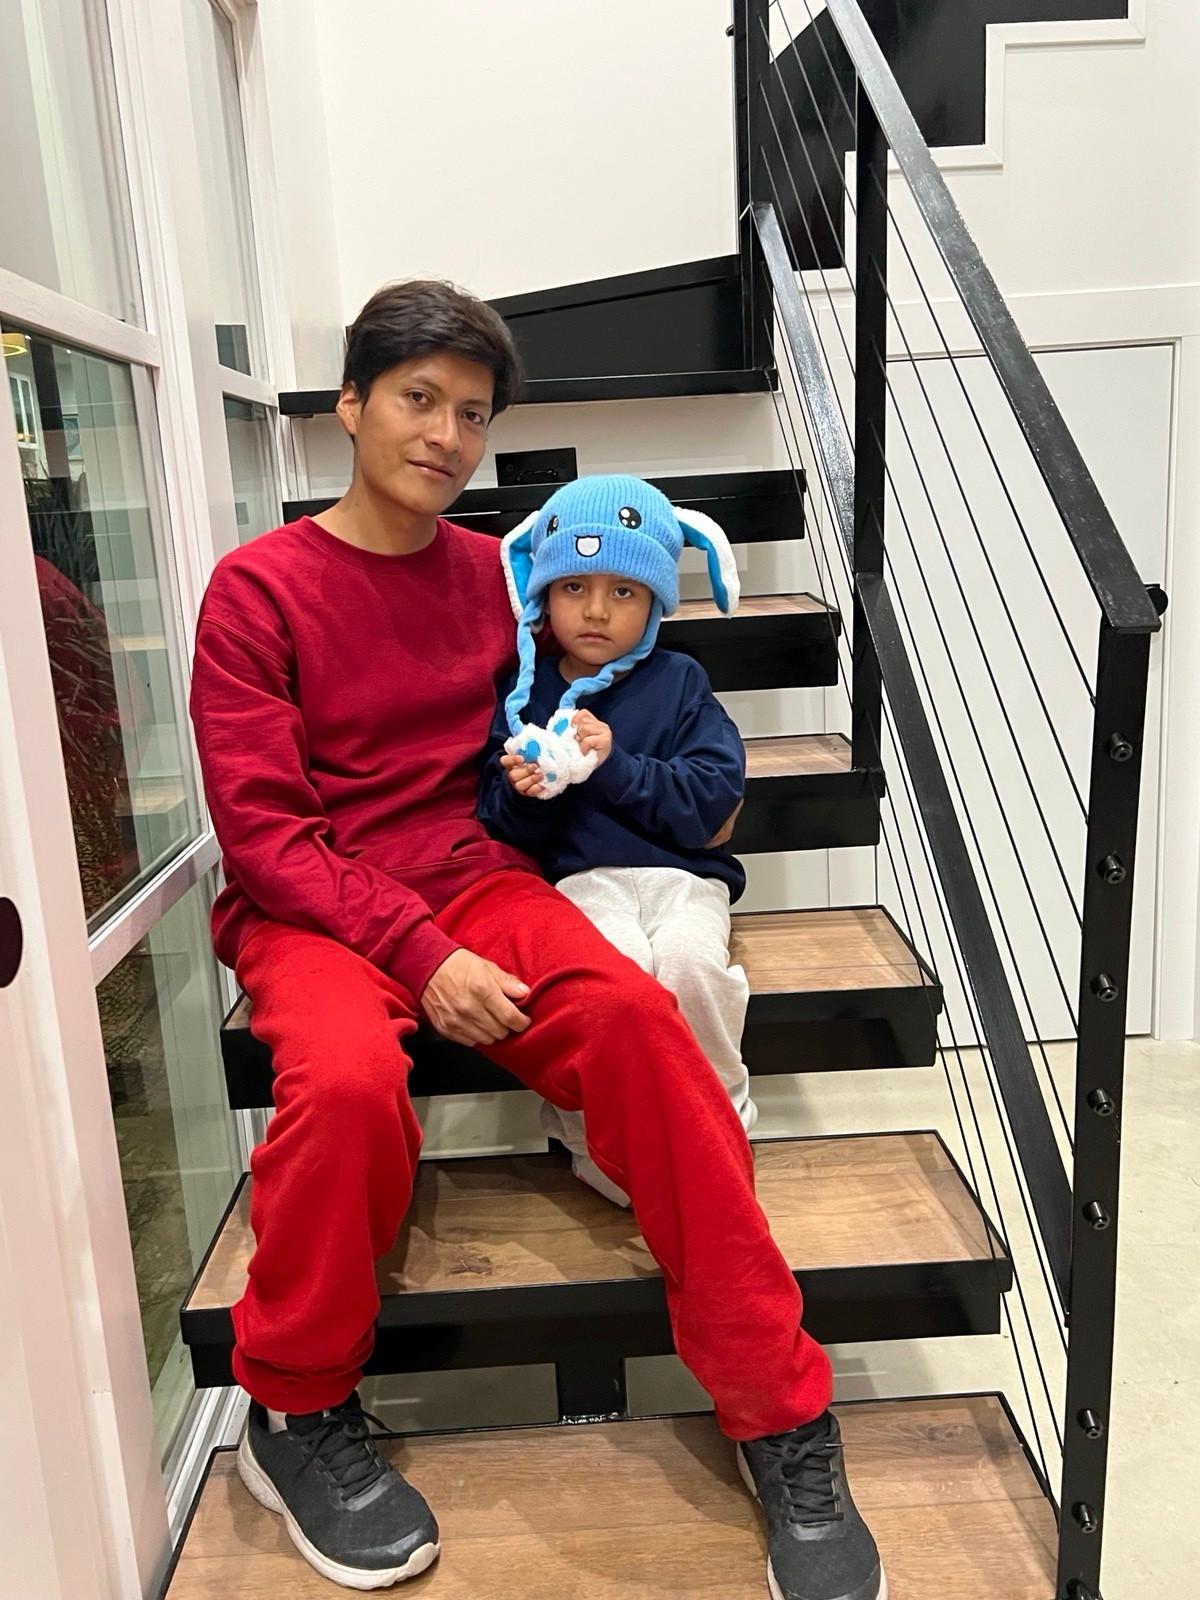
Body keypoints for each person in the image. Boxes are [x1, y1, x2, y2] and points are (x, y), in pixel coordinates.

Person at [188, 277, 883, 1600]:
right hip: (313, 903)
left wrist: (662, 796)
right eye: (418, 399)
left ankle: (780, 1408)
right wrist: (417, 953)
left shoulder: (492, 580)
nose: (446, 435)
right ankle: (292, 1406)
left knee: (640, 1023)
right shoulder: (256, 590)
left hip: (475, 876)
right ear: (350, 404)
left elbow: (599, 694)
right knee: (347, 1084)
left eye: (472, 414)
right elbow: (266, 834)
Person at [477, 473, 758, 1207]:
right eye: (574, 587)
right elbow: (498, 823)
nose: (597, 610)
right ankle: (593, 1138)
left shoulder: (680, 681)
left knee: (690, 966)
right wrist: (527, 792)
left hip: (684, 880)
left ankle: (718, 1117)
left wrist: (614, 764)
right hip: (581, 883)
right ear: (543, 595)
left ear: (656, 603)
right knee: (611, 982)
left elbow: (711, 798)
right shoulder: (523, 695)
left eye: (624, 591)